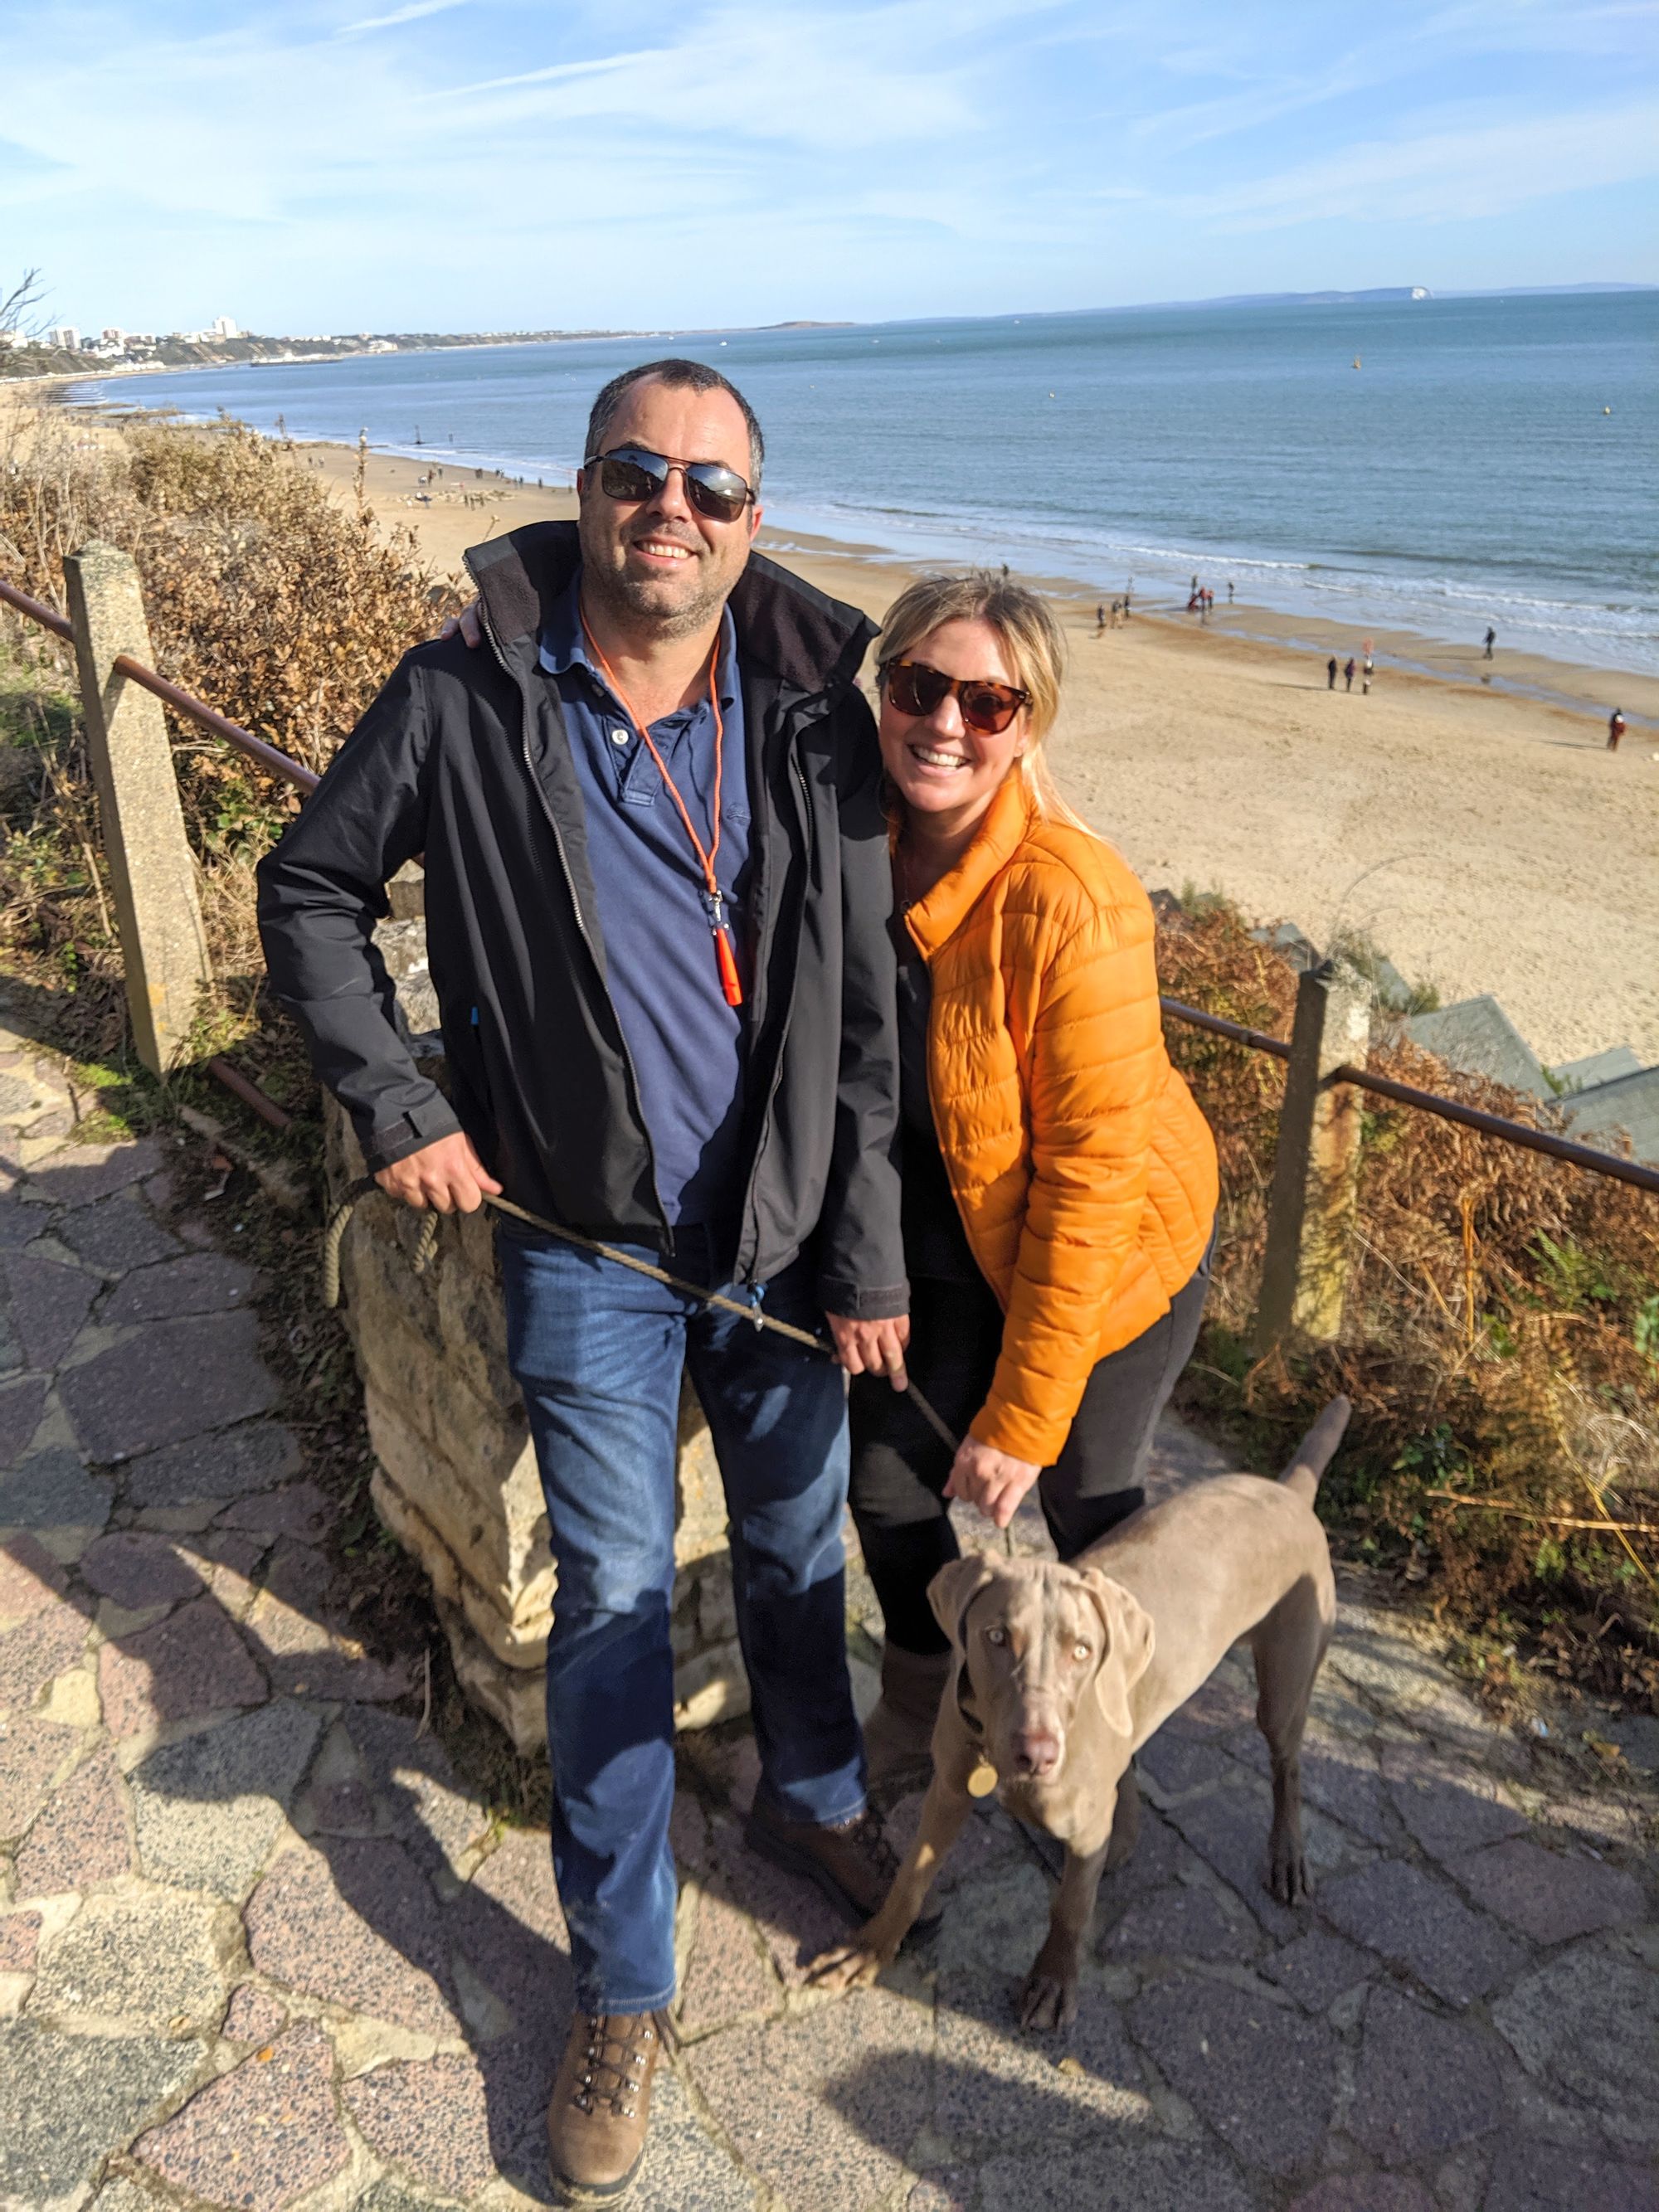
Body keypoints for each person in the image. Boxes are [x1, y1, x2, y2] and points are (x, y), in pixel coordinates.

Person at [257, 359, 912, 2202]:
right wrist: (396, 1100)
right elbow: (307, 887)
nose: (674, 511)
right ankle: (623, 1983)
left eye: (715, 487)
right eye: (641, 472)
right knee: (617, 1594)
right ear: (588, 484)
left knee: (796, 1550)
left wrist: (859, 1249)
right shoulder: (465, 691)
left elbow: (860, 1020)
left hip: (777, 1242)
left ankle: (818, 1790)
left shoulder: (809, 713)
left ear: (753, 522)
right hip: (585, 1244)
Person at [844, 573, 1219, 1782]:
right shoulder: (858, 840)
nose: (946, 722)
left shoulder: (1073, 901)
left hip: (1112, 1256)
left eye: (989, 704)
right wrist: (524, 617)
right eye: (919, 686)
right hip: (956, 1231)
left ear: (1029, 725)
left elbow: (1092, 1191)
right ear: (883, 689)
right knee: (890, 1483)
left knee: (1082, 1496)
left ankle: (1100, 1725)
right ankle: (921, 1701)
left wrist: (1020, 1418)